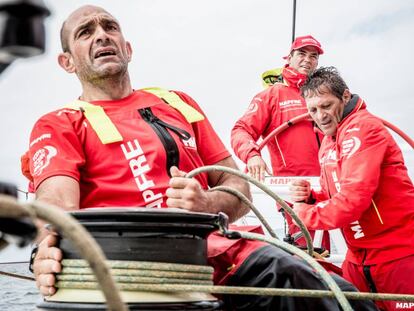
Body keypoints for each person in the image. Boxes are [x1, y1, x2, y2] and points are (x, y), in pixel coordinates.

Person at [24, 6, 377, 311]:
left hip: (225, 251)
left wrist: (206, 202)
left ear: (127, 48)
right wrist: (44, 249)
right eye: (86, 32)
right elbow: (55, 206)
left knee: (341, 293)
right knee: (295, 277)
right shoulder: (60, 123)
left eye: (109, 27)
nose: (101, 36)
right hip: (144, 270)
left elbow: (238, 186)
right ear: (66, 61)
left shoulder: (179, 103)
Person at [289, 66, 414, 311]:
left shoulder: (365, 128)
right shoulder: (328, 140)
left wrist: (303, 213)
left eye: (326, 106)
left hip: (398, 257)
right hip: (358, 260)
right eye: (312, 110)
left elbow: (352, 202)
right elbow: (336, 192)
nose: (320, 116)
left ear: (345, 97)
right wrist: (312, 197)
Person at [231, 35, 329, 249]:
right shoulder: (272, 95)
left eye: (313, 56)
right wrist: (253, 155)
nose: (308, 59)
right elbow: (241, 130)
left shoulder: (324, 94)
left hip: (332, 187)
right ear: (289, 58)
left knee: (336, 253)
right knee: (308, 254)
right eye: (302, 53)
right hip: (296, 192)